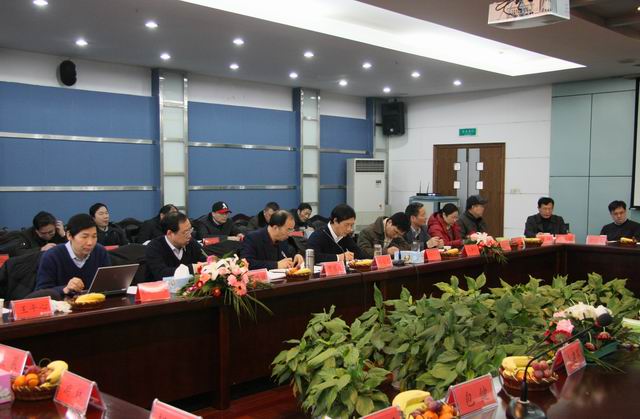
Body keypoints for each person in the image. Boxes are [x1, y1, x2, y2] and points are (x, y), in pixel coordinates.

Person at [34, 213, 110, 298]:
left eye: (94, 236)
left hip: (96, 303)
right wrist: (64, 289)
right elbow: (41, 293)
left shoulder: (100, 252)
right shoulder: (51, 256)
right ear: (69, 235)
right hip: (63, 304)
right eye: (84, 237)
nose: (90, 242)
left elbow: (108, 284)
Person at [145, 212, 208, 281]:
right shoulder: (154, 247)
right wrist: (191, 269)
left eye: (190, 230)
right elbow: (161, 273)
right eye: (185, 232)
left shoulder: (191, 243)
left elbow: (206, 261)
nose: (190, 236)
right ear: (170, 233)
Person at [239, 210, 304, 270]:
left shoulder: (283, 239)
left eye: (292, 230)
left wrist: (295, 258)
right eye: (288, 229)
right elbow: (244, 263)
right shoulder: (252, 238)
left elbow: (286, 258)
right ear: (275, 228)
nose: (290, 234)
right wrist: (275, 265)